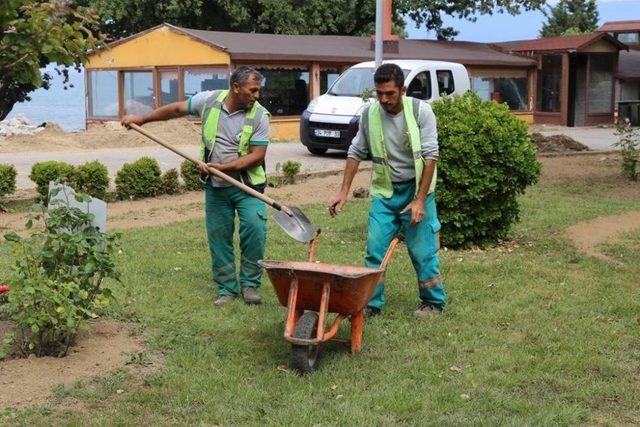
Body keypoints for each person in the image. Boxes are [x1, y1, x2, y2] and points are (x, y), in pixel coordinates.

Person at [122, 66, 270, 307]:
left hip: (247, 187)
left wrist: (224, 167)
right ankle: (227, 288)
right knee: (218, 237)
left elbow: (257, 155)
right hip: (215, 187)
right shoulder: (209, 101)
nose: (257, 95)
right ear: (236, 87)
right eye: (252, 90)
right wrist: (143, 118)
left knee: (254, 231)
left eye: (258, 91)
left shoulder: (260, 115)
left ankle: (250, 285)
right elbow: (176, 109)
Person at [329, 63, 446, 319]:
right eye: (379, 93)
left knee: (422, 251)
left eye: (390, 93)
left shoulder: (420, 112)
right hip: (385, 193)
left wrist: (420, 201)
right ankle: (372, 304)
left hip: (417, 192)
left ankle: (433, 302)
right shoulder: (369, 114)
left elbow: (430, 156)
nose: (384, 99)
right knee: (375, 249)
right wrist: (343, 191)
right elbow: (355, 151)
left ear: (403, 89)